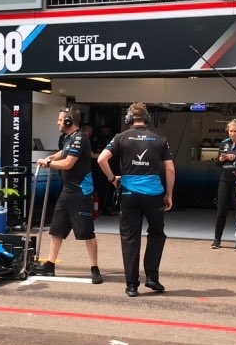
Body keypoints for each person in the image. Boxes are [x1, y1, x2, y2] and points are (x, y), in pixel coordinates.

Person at [97, 102, 175, 297]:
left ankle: (132, 285)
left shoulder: (120, 137)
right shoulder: (160, 139)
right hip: (154, 195)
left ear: (129, 119)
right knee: (157, 234)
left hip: (129, 195)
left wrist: (112, 179)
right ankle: (152, 277)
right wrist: (169, 194)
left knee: (130, 238)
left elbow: (101, 159)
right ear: (147, 119)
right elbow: (170, 169)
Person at [36, 106, 102, 284]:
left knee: (87, 232)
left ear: (68, 121)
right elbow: (63, 153)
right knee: (56, 229)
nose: (57, 122)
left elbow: (68, 163)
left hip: (81, 192)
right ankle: (49, 266)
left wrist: (48, 163)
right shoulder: (69, 138)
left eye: (60, 119)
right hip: (67, 191)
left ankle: (95, 269)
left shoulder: (80, 138)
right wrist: (51, 158)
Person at [211, 119, 236, 249]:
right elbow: (217, 164)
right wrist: (221, 159)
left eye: (235, 131)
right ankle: (217, 239)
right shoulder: (224, 143)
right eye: (230, 131)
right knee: (221, 210)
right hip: (225, 179)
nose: (232, 133)